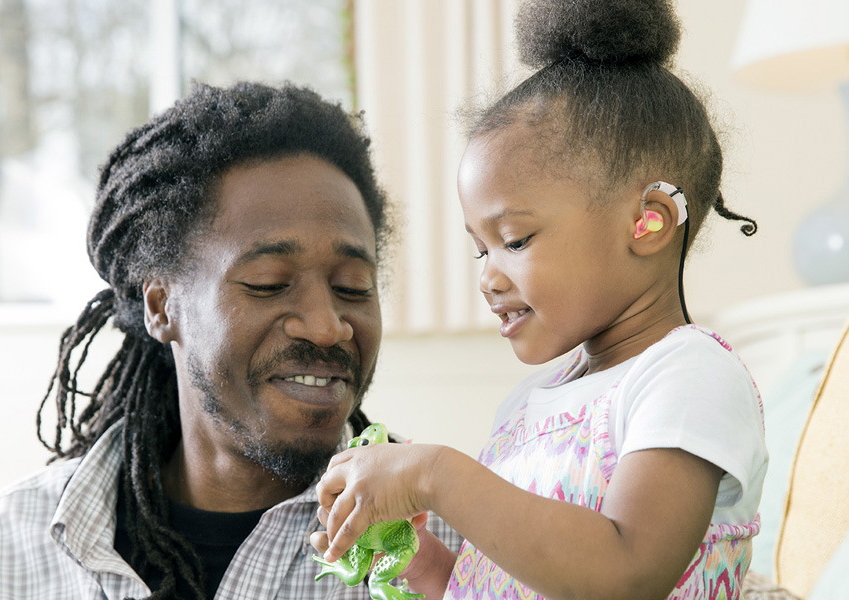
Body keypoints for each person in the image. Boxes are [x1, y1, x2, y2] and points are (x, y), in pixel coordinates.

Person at [0, 81, 462, 600]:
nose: (325, 326)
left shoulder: (454, 544)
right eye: (268, 284)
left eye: (352, 287)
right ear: (161, 306)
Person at [310, 1, 768, 598]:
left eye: (515, 240)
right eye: (481, 250)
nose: (488, 277)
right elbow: (514, 582)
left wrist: (434, 474)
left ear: (648, 223)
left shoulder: (688, 376)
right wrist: (424, 563)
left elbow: (626, 571)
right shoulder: (526, 408)